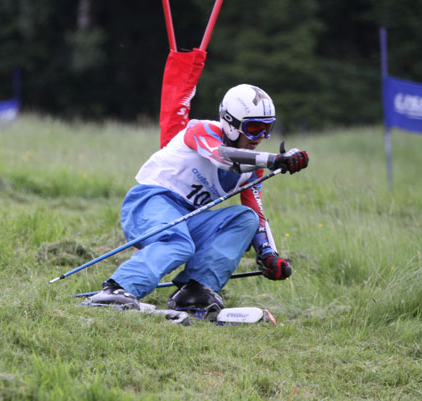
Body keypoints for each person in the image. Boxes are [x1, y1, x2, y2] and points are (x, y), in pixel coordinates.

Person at [86, 84, 308, 318]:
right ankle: (118, 289)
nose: (260, 137)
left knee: (246, 219)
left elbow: (257, 213)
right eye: (253, 128)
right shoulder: (202, 130)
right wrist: (274, 159)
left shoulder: (253, 169)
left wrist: (268, 255)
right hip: (150, 202)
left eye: (267, 129)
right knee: (178, 243)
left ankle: (194, 291)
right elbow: (222, 157)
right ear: (231, 123)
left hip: (187, 217)